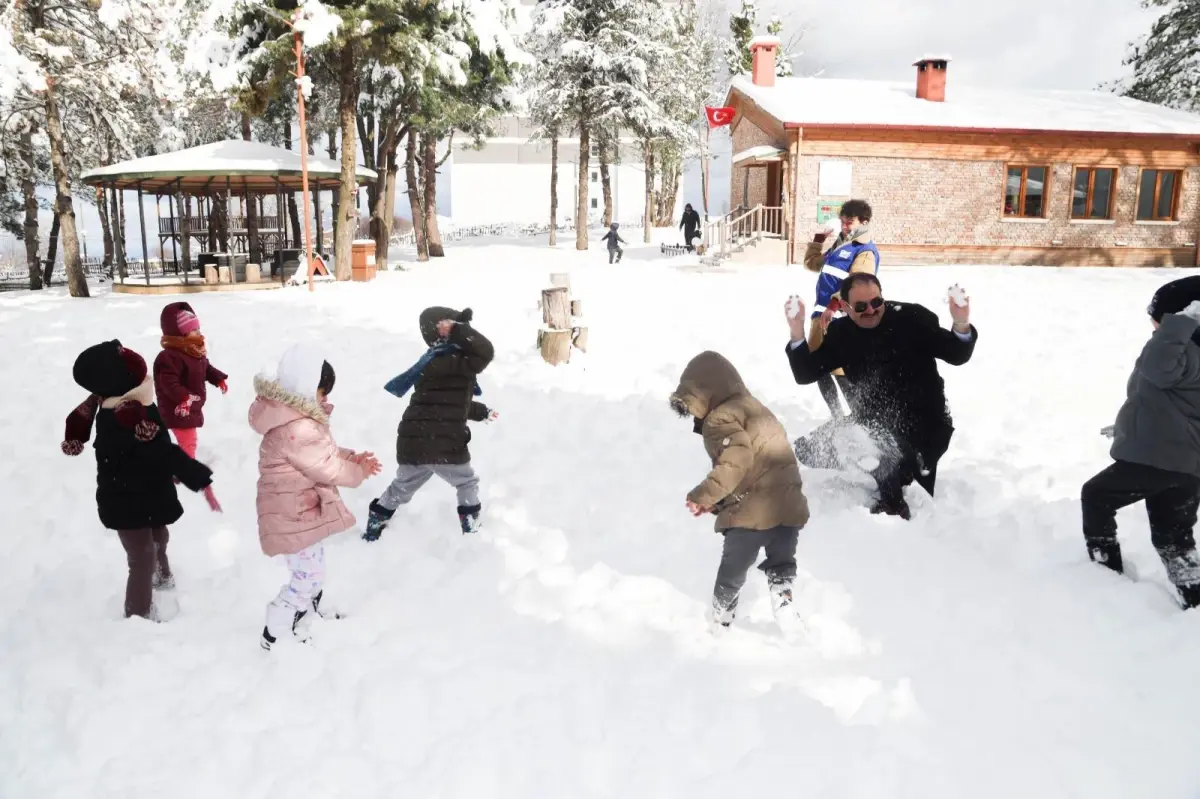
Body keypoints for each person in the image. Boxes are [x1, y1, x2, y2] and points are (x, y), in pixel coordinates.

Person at [785, 273, 977, 519]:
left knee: (872, 450)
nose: (871, 311)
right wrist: (796, 332)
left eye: (877, 302)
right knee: (809, 450)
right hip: (872, 422)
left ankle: (894, 503)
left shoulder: (911, 319)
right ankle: (890, 470)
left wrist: (961, 324)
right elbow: (805, 372)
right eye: (861, 306)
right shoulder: (842, 333)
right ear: (844, 307)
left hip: (926, 425)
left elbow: (955, 354)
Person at [61, 340, 217, 621]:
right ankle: (138, 615)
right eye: (121, 357)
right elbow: (162, 450)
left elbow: (159, 449)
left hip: (149, 489)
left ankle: (162, 575)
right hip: (125, 499)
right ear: (115, 379)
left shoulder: (136, 399)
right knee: (141, 556)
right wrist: (194, 474)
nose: (132, 357)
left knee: (160, 537)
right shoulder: (127, 416)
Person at [249, 344, 382, 650]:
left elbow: (321, 454)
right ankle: (275, 631)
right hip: (291, 513)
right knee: (306, 576)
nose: (325, 399)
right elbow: (327, 467)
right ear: (306, 388)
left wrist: (352, 457)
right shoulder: (297, 427)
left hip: (298, 508)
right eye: (323, 392)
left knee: (313, 569)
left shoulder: (291, 418)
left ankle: (304, 614)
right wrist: (357, 471)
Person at [1081, 276, 1200, 610]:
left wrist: (1180, 324)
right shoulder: (1185, 349)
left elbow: (1160, 371)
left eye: (1160, 315)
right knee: (1173, 537)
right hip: (1182, 464)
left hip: (1161, 460)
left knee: (1097, 496)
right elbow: (1164, 400)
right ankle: (1195, 600)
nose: (1153, 321)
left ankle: (1104, 576)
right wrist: (1127, 427)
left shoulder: (1182, 348)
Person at [671, 351, 810, 631]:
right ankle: (786, 609)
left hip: (751, 514)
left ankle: (721, 622)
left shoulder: (719, 419)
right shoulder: (755, 407)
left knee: (731, 573)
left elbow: (737, 461)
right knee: (781, 565)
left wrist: (704, 495)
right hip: (789, 508)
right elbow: (759, 466)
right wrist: (720, 502)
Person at [364, 306, 496, 541]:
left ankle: (376, 521)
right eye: (455, 326)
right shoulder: (457, 359)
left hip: (413, 441)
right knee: (466, 482)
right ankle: (472, 530)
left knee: (402, 487)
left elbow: (446, 402)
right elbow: (486, 351)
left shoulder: (430, 362)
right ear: (445, 331)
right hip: (443, 444)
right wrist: (459, 330)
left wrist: (481, 412)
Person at [802, 199, 879, 418]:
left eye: (850, 222)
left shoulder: (865, 251)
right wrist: (818, 241)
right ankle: (837, 417)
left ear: (864, 222)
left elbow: (858, 285)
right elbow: (812, 264)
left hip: (840, 319)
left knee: (841, 372)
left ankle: (860, 418)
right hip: (821, 316)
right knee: (818, 367)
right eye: (843, 221)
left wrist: (834, 305)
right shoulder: (841, 244)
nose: (845, 226)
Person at [153, 302, 227, 492]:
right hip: (178, 407)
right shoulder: (170, 357)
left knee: (179, 439)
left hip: (190, 404)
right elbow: (168, 382)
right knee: (188, 439)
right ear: (180, 335)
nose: (198, 332)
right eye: (193, 329)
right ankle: (184, 470)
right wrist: (184, 397)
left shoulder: (193, 350)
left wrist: (218, 379)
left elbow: (206, 368)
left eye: (198, 328)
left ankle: (173, 464)